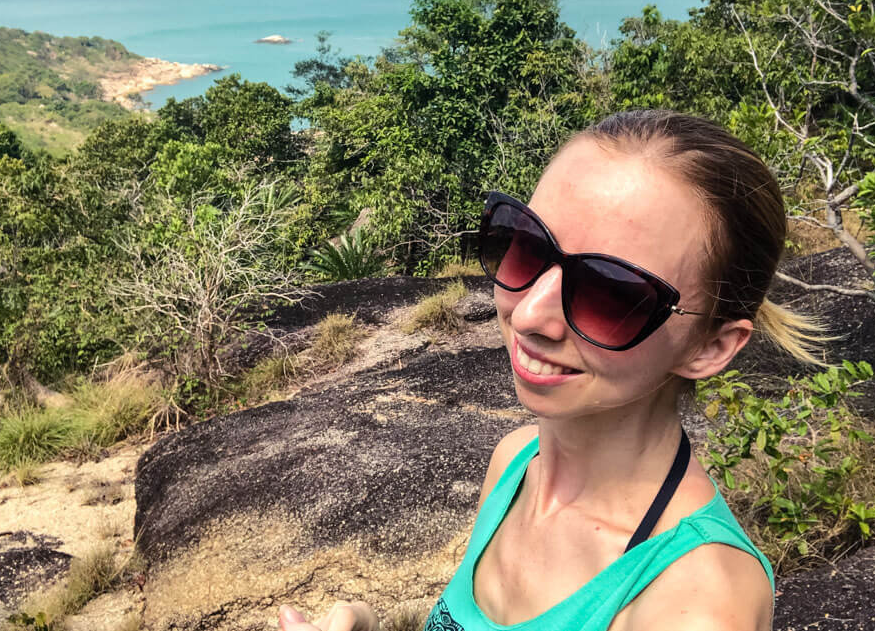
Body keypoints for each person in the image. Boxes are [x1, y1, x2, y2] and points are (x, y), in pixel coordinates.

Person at [279, 109, 824, 631]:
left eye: (612, 292)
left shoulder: (692, 603)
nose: (531, 314)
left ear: (711, 347)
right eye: (526, 247)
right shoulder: (517, 462)